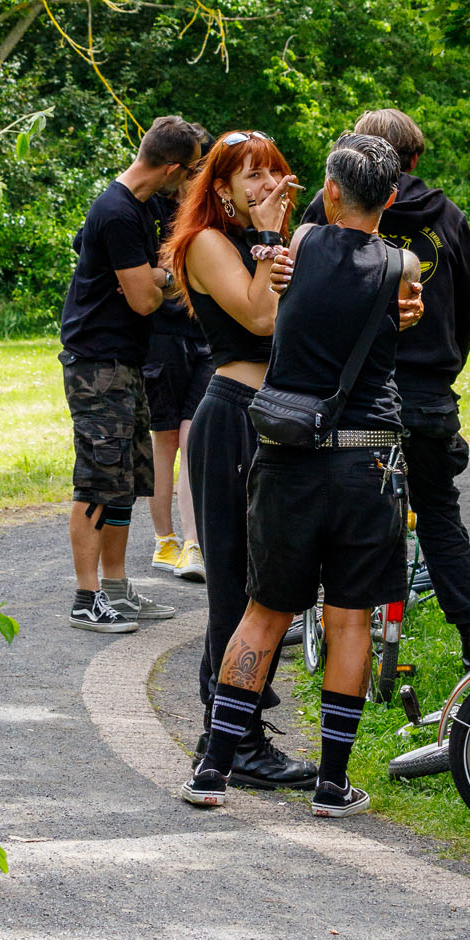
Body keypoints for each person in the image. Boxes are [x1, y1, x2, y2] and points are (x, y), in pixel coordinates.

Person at [180, 133, 421, 817]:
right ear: (394, 197)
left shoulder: (299, 247)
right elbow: (398, 305)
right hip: (366, 459)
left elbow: (282, 293)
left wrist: (267, 235)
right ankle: (332, 784)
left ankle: (213, 770)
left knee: (260, 614)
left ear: (330, 190)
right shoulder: (403, 264)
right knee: (350, 621)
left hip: (287, 457)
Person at [304, 109, 470, 668]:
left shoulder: (327, 208)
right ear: (413, 157)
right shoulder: (448, 216)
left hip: (354, 390)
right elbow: (468, 307)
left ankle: (345, 641)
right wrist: (439, 369)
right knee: (438, 512)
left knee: (345, 513)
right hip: (428, 391)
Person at [168, 128, 317, 790]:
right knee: (235, 583)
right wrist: (268, 237)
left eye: (272, 174)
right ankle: (230, 737)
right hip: (230, 417)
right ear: (221, 186)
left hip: (274, 421)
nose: (264, 187)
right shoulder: (206, 242)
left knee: (272, 581)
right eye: (248, 176)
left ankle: (236, 726)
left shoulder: (268, 244)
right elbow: (259, 318)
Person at [59, 115, 201, 634]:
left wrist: (154, 276)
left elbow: (146, 284)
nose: (185, 183)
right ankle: (85, 599)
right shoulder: (117, 211)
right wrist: (161, 279)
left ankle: (116, 591)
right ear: (169, 167)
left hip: (124, 363)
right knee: (97, 482)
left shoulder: (137, 208)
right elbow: (143, 300)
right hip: (97, 364)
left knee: (123, 483)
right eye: (186, 172)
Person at [145, 122, 214, 581]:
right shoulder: (144, 204)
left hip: (206, 336)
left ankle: (194, 544)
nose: (197, 175)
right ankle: (164, 540)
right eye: (193, 166)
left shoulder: (209, 209)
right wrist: (170, 276)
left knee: (195, 438)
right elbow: (140, 272)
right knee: (166, 439)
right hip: (160, 338)